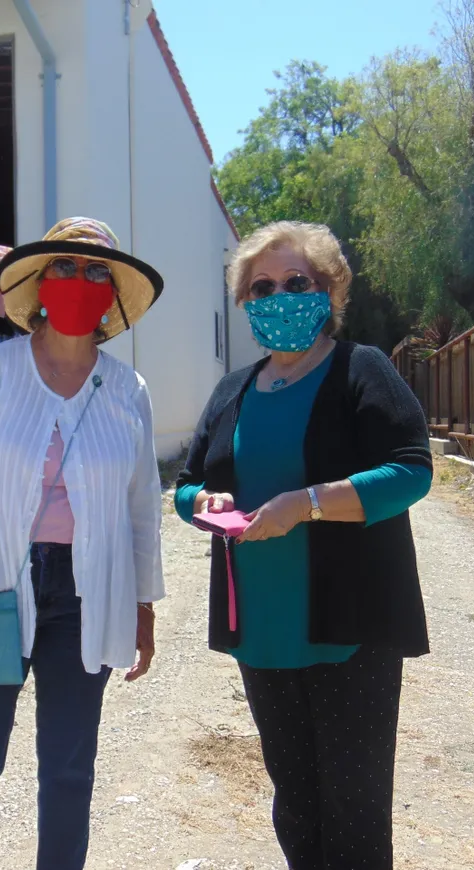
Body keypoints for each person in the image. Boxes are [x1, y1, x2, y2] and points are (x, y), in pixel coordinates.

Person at [175, 221, 433, 870]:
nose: (279, 295)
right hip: (261, 633)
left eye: (297, 282)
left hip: (349, 630)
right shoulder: (231, 392)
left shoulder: (361, 371)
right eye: (261, 286)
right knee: (295, 804)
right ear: (245, 304)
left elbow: (410, 470)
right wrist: (201, 505)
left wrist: (308, 505)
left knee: (354, 812)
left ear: (329, 290)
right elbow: (185, 487)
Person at [0, 217, 166, 870]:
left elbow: (142, 511)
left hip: (85, 598)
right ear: (39, 284)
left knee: (69, 773)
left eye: (95, 272)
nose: (79, 282)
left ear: (111, 296)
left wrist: (143, 604)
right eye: (65, 268)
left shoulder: (127, 391)